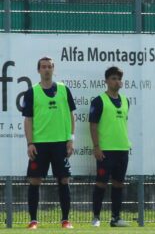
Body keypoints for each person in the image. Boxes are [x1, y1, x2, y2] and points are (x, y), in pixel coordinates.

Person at [22, 56, 76, 230]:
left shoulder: (63, 89)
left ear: (54, 69)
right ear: (38, 70)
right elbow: (28, 119)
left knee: (64, 180)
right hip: (40, 144)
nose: (46, 69)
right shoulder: (32, 92)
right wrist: (30, 143)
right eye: (43, 67)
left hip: (60, 143)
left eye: (49, 66)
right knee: (35, 180)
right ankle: (33, 221)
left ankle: (65, 220)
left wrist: (71, 138)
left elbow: (71, 115)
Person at [89, 66, 131, 227]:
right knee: (101, 183)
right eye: (113, 78)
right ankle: (96, 217)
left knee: (119, 184)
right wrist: (97, 146)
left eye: (118, 78)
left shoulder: (126, 101)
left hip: (122, 149)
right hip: (105, 151)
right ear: (106, 81)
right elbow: (93, 125)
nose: (116, 81)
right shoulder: (99, 101)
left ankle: (115, 218)